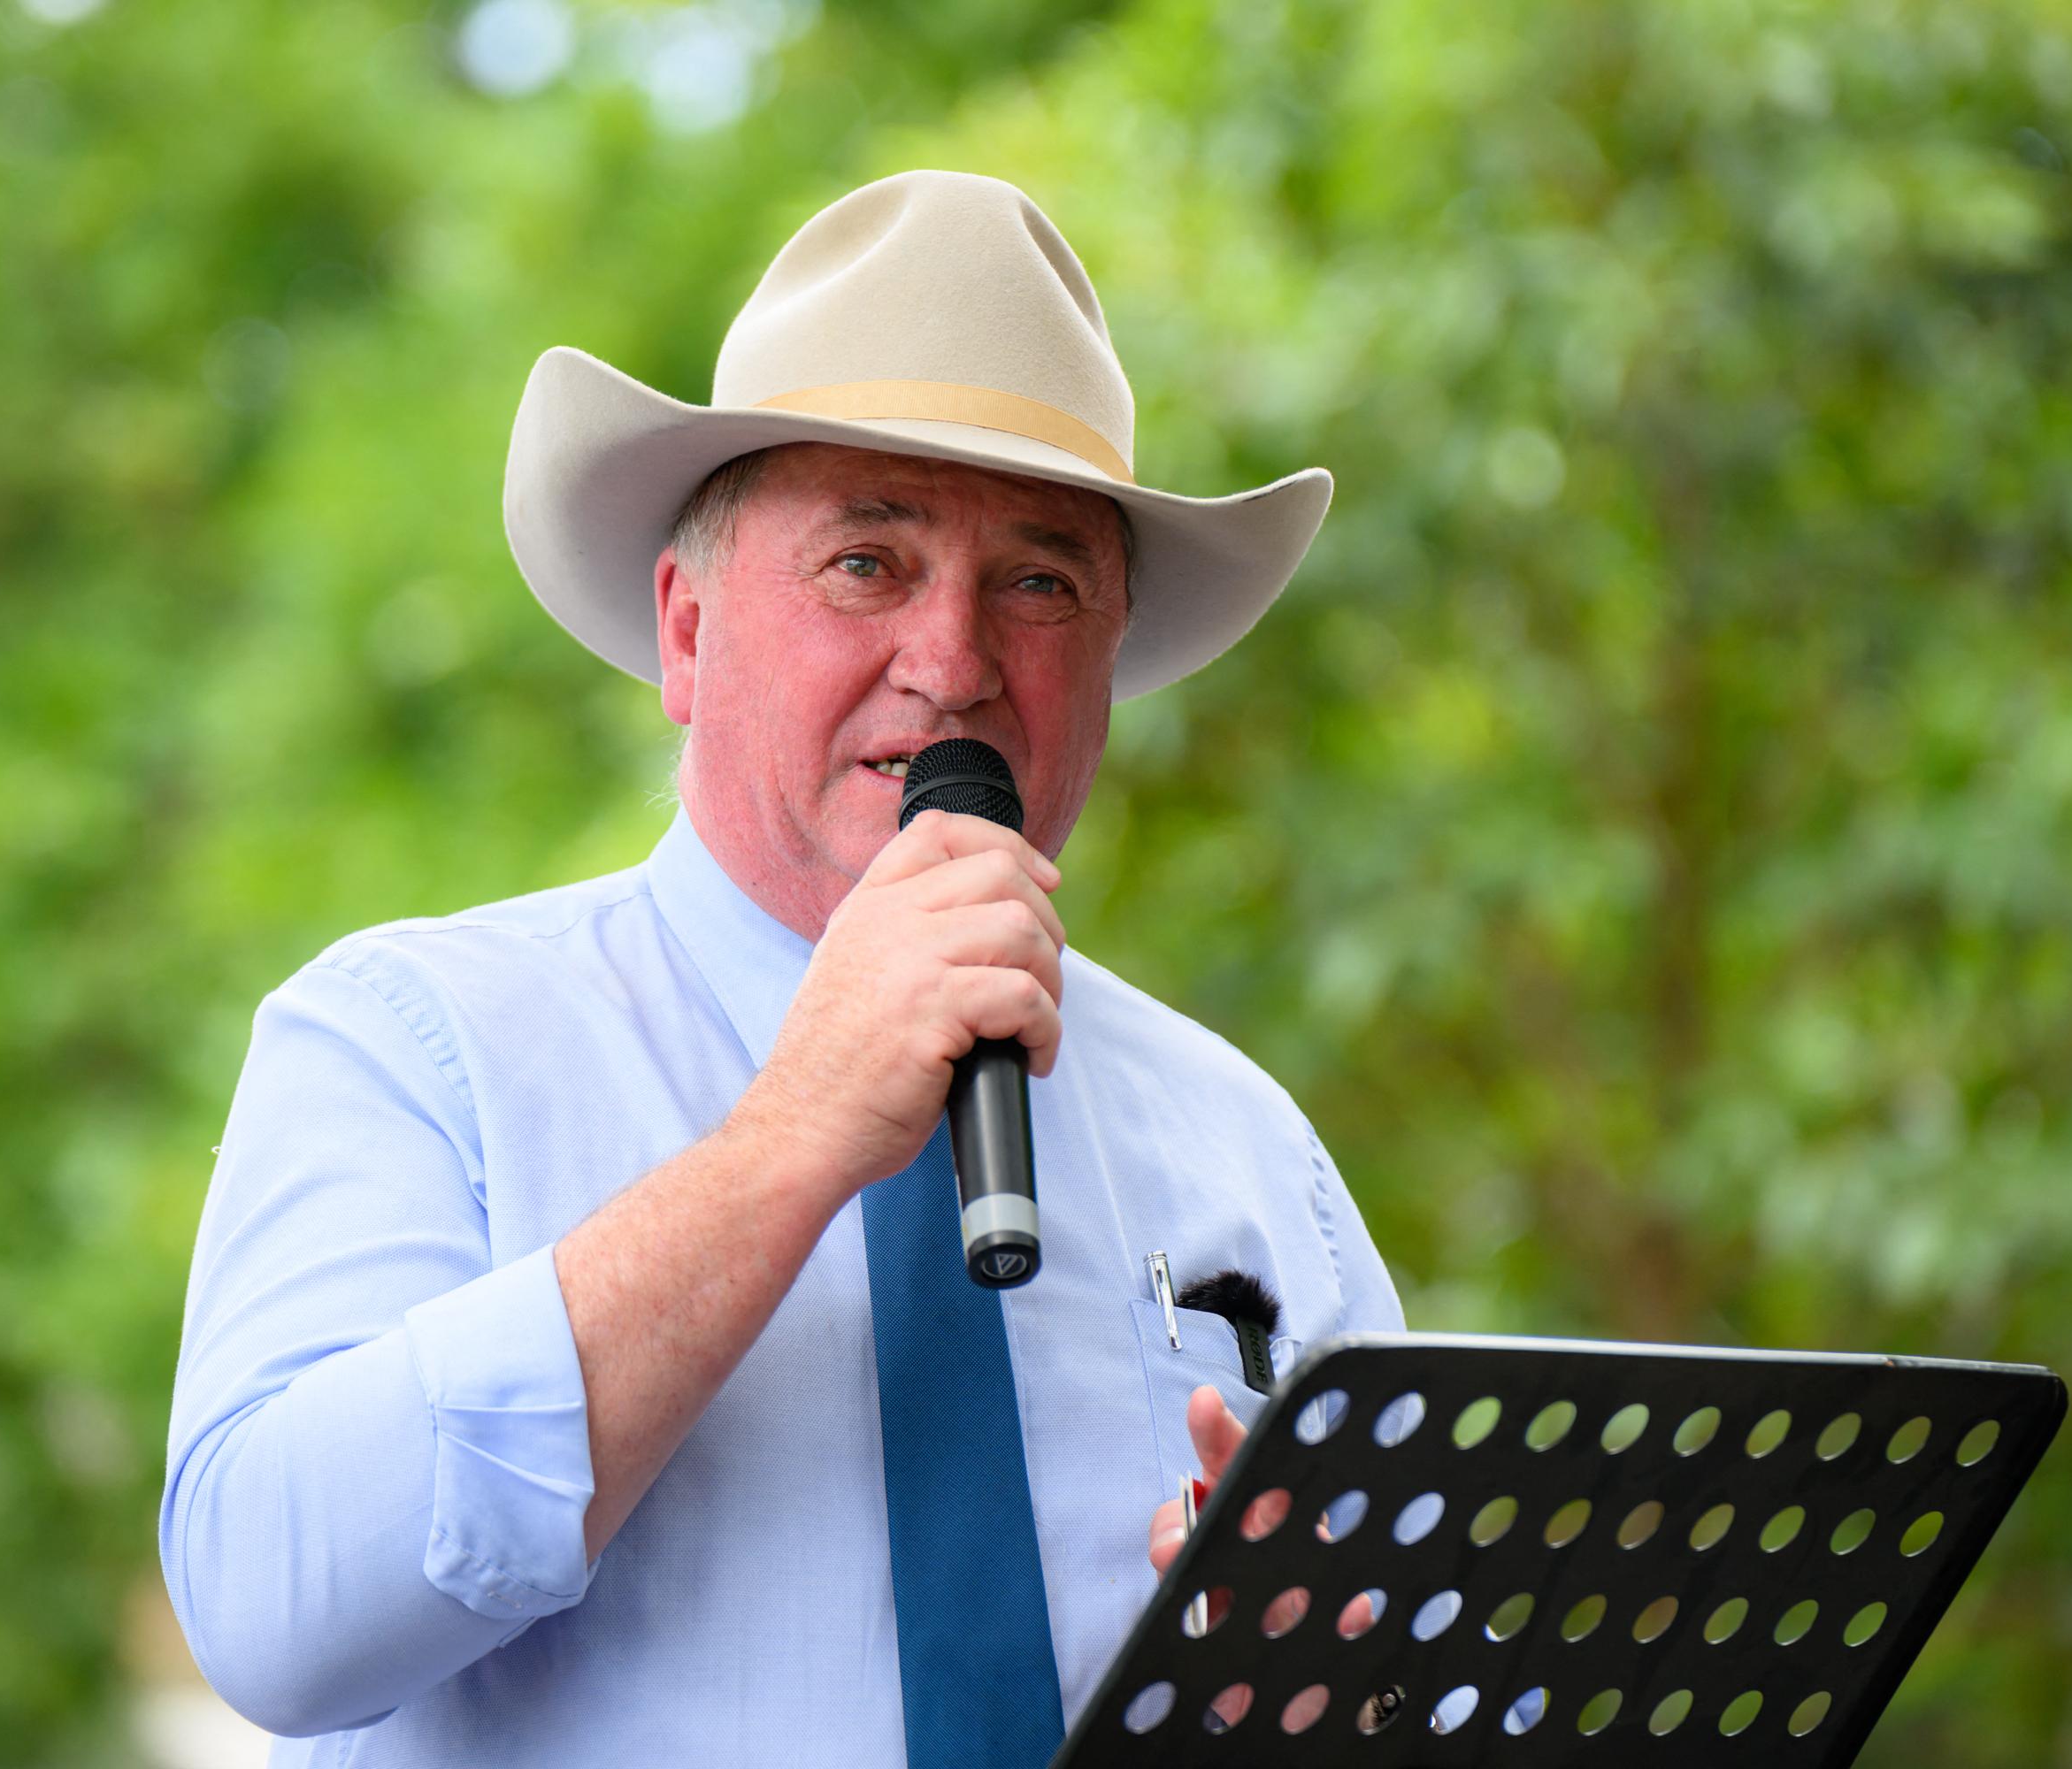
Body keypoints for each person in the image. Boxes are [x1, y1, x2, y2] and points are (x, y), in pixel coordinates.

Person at [160, 169, 1402, 1766]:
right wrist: (795, 1134)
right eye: (867, 565)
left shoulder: (1246, 1147)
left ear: (1108, 670)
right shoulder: (419, 1040)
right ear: (687, 633)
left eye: (1038, 582)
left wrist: (1339, 1709)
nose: (952, 662)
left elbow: (1434, 1696)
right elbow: (269, 1609)